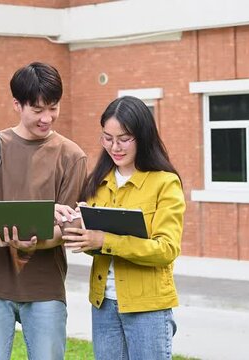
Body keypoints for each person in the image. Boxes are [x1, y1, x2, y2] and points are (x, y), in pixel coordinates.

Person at [0, 62, 88, 360]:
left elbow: (69, 228)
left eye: (53, 107)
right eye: (37, 110)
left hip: (46, 284)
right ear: (17, 105)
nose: (47, 118)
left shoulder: (72, 156)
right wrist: (43, 217)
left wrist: (37, 241)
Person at [61, 96, 186, 360]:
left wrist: (104, 238)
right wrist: (78, 229)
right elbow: (93, 246)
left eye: (124, 139)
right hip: (103, 304)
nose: (114, 147)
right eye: (107, 138)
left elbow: (166, 249)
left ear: (142, 137)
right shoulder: (99, 181)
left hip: (148, 307)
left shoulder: (165, 183)